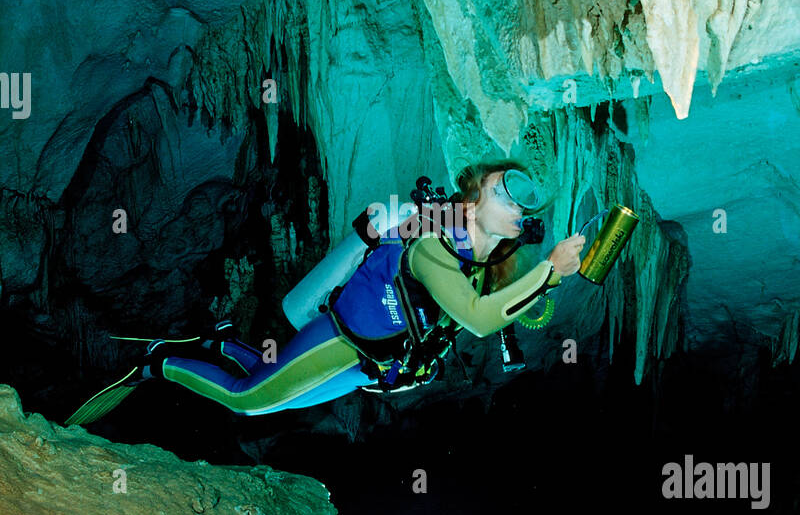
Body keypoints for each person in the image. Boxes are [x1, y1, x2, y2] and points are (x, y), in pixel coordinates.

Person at [66, 162, 585, 426]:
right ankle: (157, 362)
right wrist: (551, 271)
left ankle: (221, 341)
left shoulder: (479, 259)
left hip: (366, 366)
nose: (513, 200)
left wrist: (546, 276)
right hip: (340, 342)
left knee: (272, 394)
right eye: (500, 188)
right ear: (471, 203)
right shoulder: (432, 245)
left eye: (519, 199)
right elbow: (476, 318)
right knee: (248, 403)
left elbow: (488, 311)